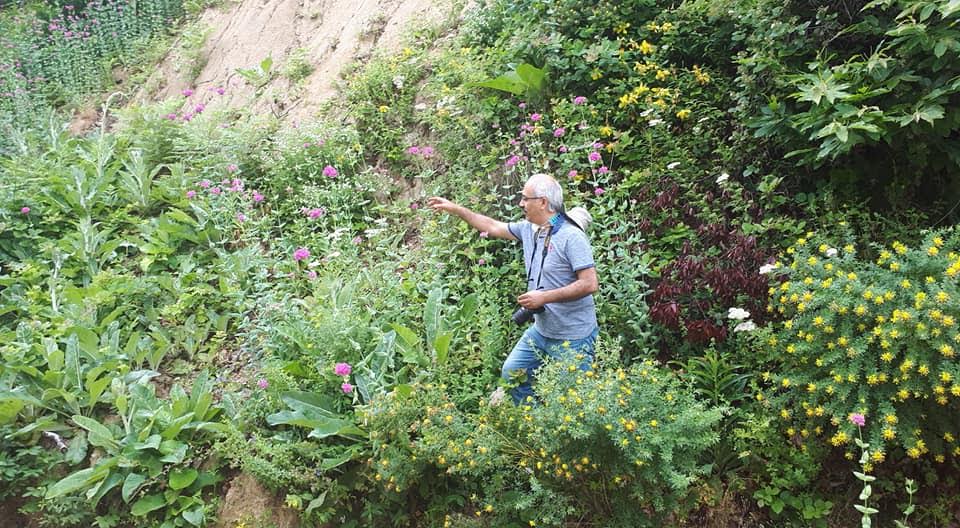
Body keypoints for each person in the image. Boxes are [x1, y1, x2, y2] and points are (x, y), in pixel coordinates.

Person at [428, 173, 599, 404]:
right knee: (512, 373)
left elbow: (590, 283)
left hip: (573, 335)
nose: (521, 203)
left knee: (574, 401)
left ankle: (568, 436)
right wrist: (457, 210)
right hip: (541, 331)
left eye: (525, 198)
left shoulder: (571, 237)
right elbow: (491, 226)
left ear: (543, 202)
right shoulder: (530, 229)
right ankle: (534, 423)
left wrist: (544, 297)